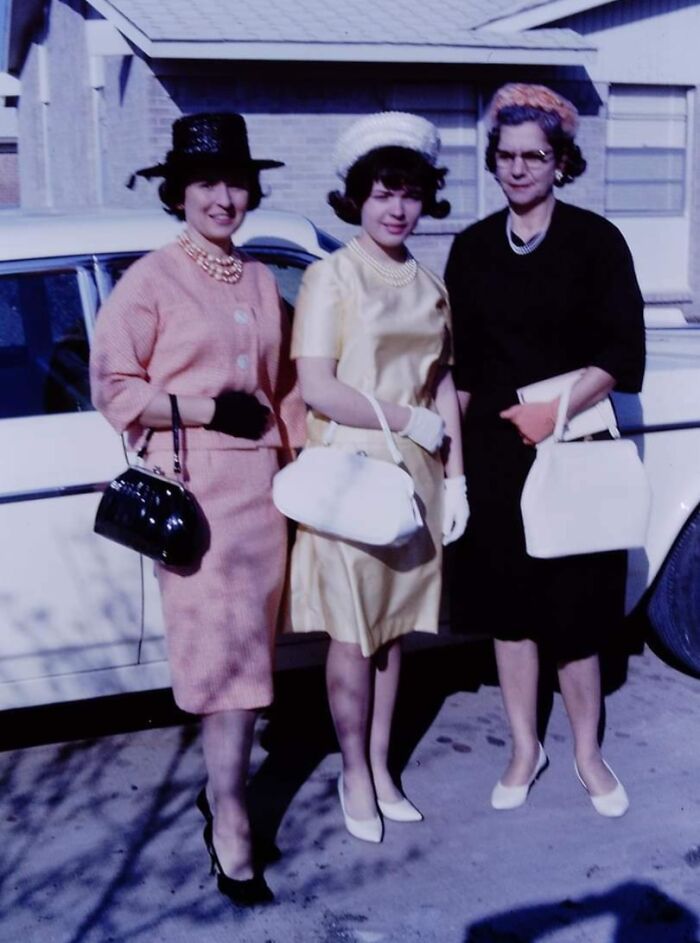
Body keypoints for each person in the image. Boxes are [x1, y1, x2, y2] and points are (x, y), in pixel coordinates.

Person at [90, 113, 306, 904]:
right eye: (207, 183)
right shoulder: (150, 279)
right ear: (179, 192)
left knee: (253, 660)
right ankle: (231, 819)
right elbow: (114, 388)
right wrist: (210, 409)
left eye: (237, 182)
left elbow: (282, 390)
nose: (224, 198)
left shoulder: (256, 276)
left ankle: (222, 792)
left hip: (262, 495)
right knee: (225, 667)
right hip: (196, 492)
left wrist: (308, 460)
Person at [445, 84, 645, 817]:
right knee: (511, 612)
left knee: (576, 614)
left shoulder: (596, 243)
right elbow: (460, 370)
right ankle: (525, 746)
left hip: (573, 450)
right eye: (507, 156)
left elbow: (621, 352)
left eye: (536, 156)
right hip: (498, 460)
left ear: (562, 162)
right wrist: (449, 464)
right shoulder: (469, 250)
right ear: (493, 162)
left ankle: (589, 753)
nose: (520, 169)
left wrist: (552, 408)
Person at [289, 112, 469, 842]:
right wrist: (408, 419)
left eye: (411, 193)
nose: (397, 208)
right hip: (352, 480)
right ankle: (353, 769)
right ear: (356, 198)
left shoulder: (430, 284)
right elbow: (317, 388)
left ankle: (382, 763)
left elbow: (446, 382)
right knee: (354, 633)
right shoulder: (330, 275)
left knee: (395, 634)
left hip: (417, 478)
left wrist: (459, 477)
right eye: (382, 192)